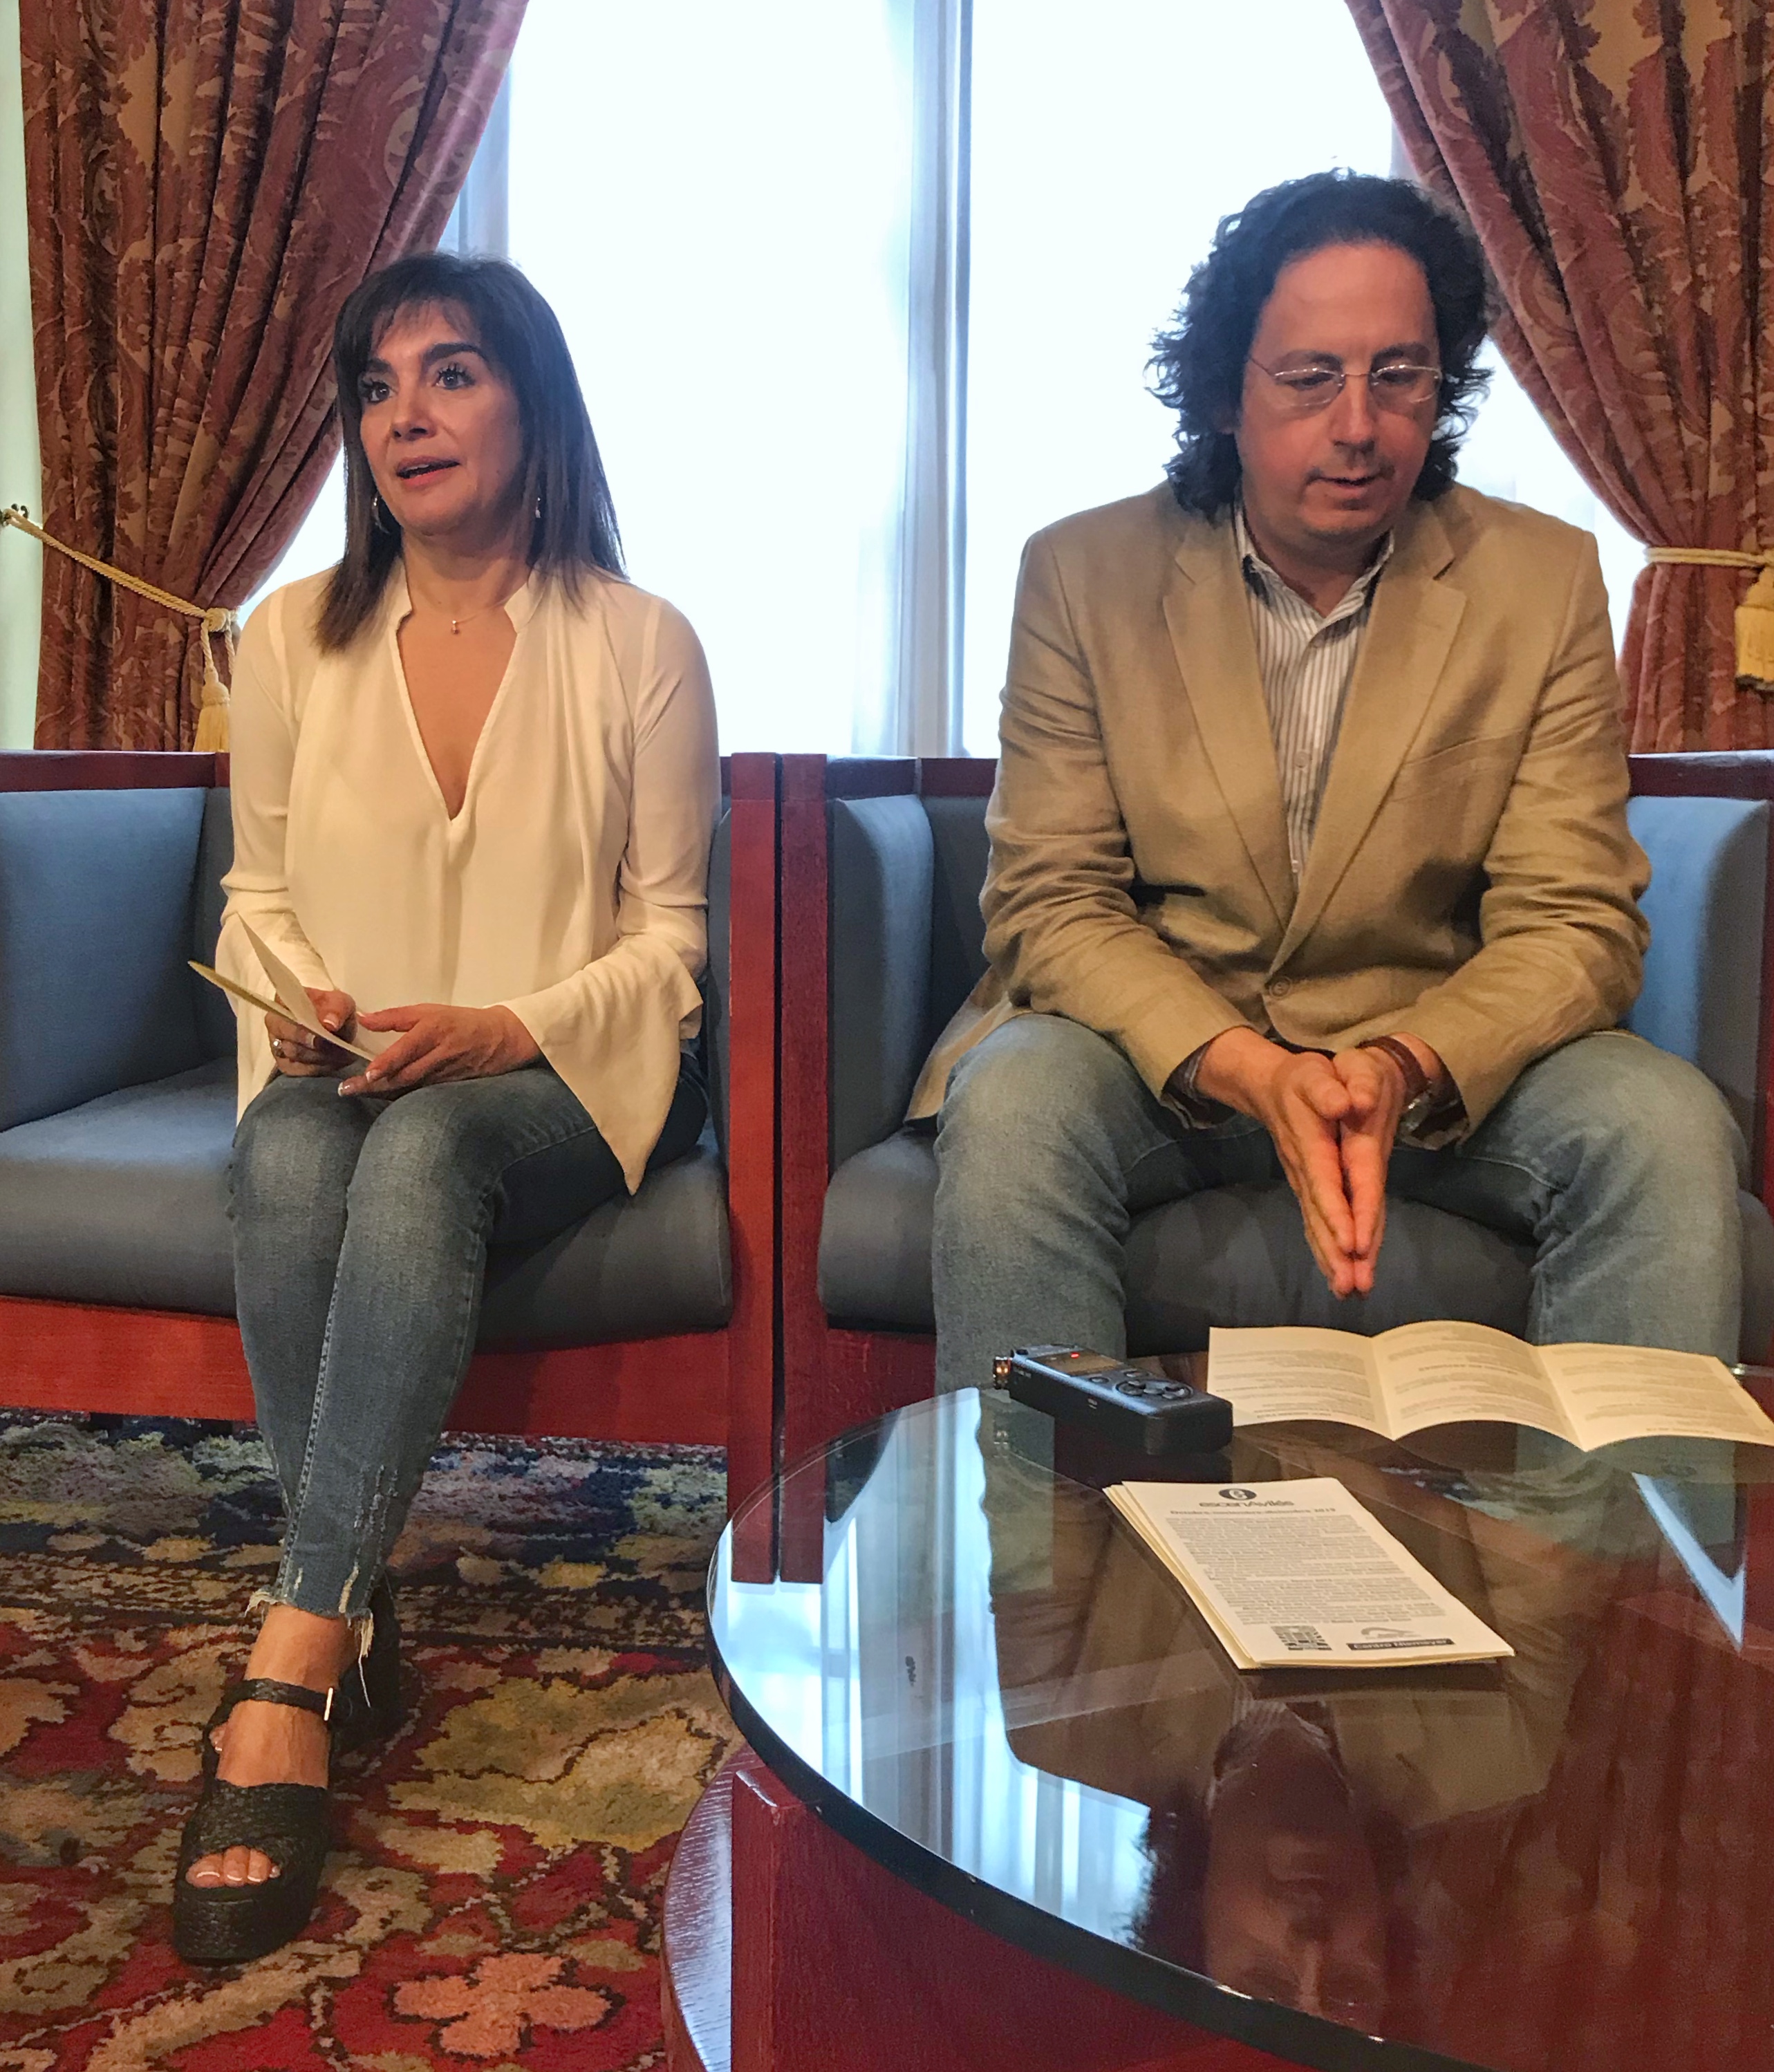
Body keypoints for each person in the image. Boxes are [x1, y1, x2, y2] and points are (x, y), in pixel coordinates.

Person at [919, 170, 1745, 1392]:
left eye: (1398, 374)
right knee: (1013, 1100)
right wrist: (1249, 1066)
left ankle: (1620, 1520)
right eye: (1309, 377)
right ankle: (1041, 1515)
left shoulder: (1539, 579)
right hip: (1164, 1062)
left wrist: (1401, 1064)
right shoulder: (1083, 573)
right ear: (1225, 392)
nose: (1359, 424)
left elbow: (1573, 919)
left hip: (1432, 1063)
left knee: (1660, 1122)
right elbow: (1051, 901)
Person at [173, 254, 718, 1966]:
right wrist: (300, 1000)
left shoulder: (640, 640)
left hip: (567, 1075)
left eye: (453, 372)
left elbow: (674, 941)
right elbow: (256, 894)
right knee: (284, 1146)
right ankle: (353, 1607)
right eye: (376, 384)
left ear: (531, 402)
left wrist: (508, 1028)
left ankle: (292, 1660)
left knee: (421, 1149)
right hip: (346, 1065)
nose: (406, 413)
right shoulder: (290, 636)